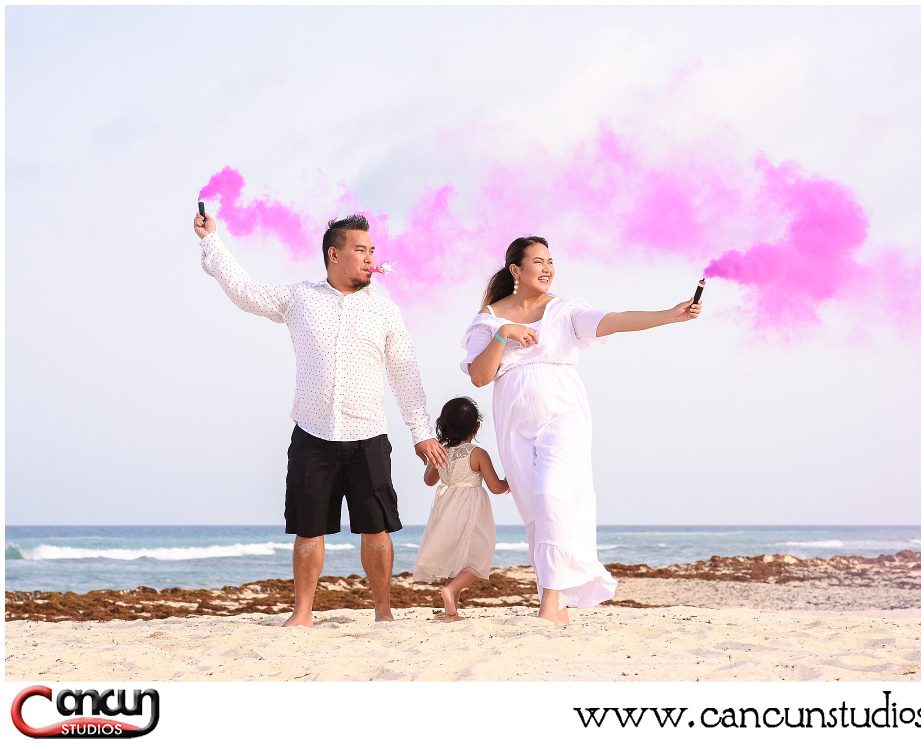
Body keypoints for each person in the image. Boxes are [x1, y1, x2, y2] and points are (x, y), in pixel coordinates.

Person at [193, 210, 447, 626]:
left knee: (376, 528)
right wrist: (211, 241)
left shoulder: (385, 311)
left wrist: (421, 432)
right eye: (360, 250)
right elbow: (243, 290)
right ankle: (303, 613)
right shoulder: (300, 299)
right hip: (313, 434)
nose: (369, 258)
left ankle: (383, 610)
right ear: (334, 254)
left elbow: (405, 373)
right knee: (308, 529)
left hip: (368, 435)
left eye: (372, 251)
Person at [461, 236, 702, 624]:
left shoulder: (565, 310)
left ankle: (549, 603)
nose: (548, 268)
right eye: (538, 261)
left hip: (564, 414)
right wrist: (503, 335)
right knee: (536, 511)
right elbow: (479, 376)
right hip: (514, 423)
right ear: (515, 271)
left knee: (554, 496)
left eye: (551, 261)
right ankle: (554, 601)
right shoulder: (488, 320)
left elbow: (615, 320)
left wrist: (668, 314)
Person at [413, 397, 508, 621]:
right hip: (471, 509)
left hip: (446, 509)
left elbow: (429, 480)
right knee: (479, 556)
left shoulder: (442, 451)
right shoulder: (477, 453)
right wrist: (510, 481)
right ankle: (451, 590)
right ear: (476, 427)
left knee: (453, 560)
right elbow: (495, 487)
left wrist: (433, 462)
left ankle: (451, 612)